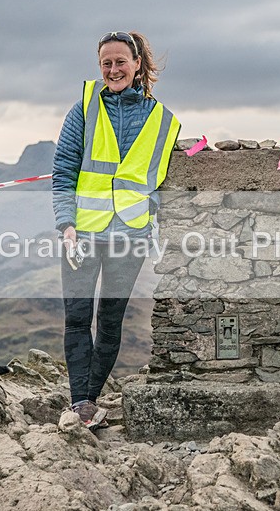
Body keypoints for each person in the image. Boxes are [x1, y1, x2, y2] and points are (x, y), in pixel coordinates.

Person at [52, 31, 180, 430]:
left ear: (138, 64)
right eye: (106, 63)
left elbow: (160, 182)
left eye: (120, 62)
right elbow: (63, 173)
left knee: (110, 321)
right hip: (83, 234)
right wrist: (66, 225)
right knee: (76, 318)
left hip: (131, 236)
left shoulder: (162, 120)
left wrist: (152, 218)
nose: (113, 70)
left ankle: (86, 404)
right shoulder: (83, 111)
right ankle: (82, 402)